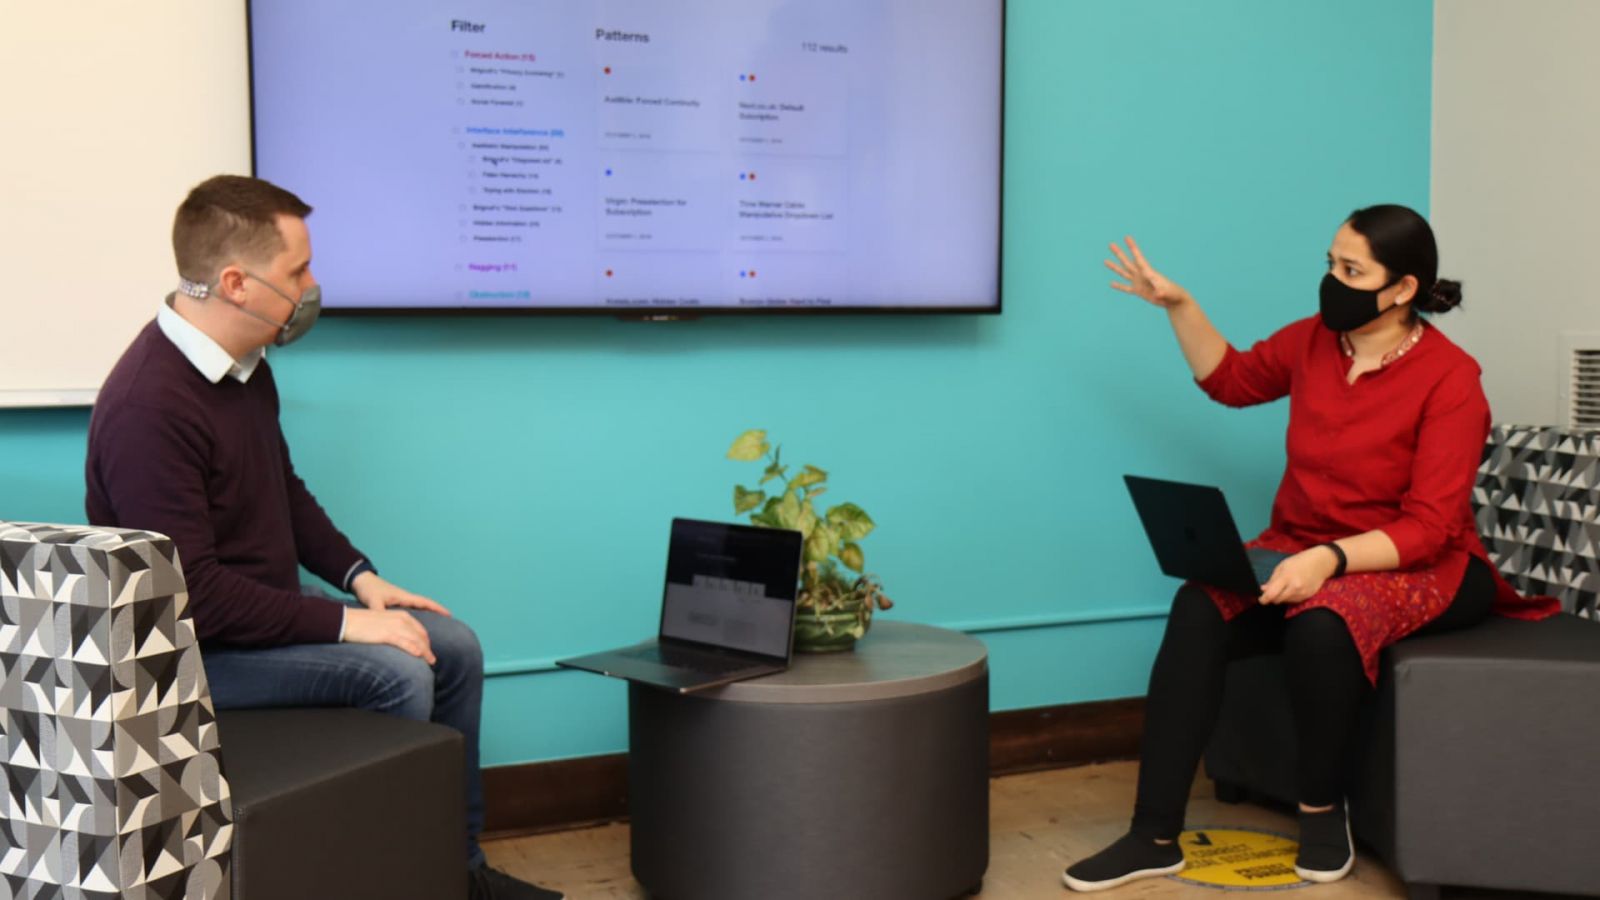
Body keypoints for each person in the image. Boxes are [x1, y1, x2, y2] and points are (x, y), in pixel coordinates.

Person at [85, 174, 562, 900]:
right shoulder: (149, 405)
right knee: (394, 670)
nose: (313, 284)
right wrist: (349, 625)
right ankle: (389, 881)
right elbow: (197, 599)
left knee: (450, 643)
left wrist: (362, 579)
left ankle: (456, 874)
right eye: (297, 271)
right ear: (238, 283)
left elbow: (284, 491)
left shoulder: (244, 366)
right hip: (189, 654)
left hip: (258, 625)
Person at [1062, 205, 1558, 892]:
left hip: (1423, 563)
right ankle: (1152, 834)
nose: (1333, 280)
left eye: (1352, 270)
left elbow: (1430, 527)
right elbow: (1231, 382)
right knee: (1198, 606)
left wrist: (1330, 560)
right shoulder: (1314, 342)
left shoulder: (1451, 379)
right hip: (1300, 545)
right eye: (1330, 263)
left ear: (1404, 288)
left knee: (1324, 623)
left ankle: (1324, 813)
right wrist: (1179, 306)